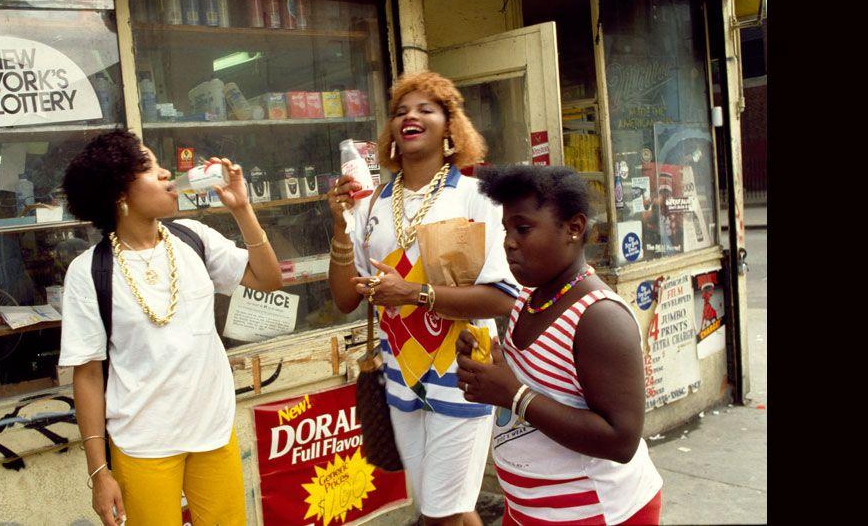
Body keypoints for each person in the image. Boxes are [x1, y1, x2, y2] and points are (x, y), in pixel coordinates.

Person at [58, 130, 282, 526]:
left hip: (212, 432)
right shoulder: (89, 271)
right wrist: (98, 471)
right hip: (142, 443)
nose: (166, 174)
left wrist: (242, 209)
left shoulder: (193, 237)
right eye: (148, 167)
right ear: (118, 193)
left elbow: (268, 279)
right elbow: (88, 375)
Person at [327, 71, 519, 526]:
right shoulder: (371, 204)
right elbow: (343, 299)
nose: (409, 116)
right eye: (400, 111)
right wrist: (338, 224)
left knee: (441, 511)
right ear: (391, 131)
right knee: (442, 510)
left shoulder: (476, 198)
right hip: (399, 376)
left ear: (450, 126)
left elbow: (502, 299)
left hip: (465, 370)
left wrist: (412, 293)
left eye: (425, 109)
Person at [456, 165, 663, 525]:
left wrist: (513, 395)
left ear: (574, 228)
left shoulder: (600, 318)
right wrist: (493, 364)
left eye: (523, 228)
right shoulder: (528, 300)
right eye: (506, 229)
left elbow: (621, 440)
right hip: (531, 509)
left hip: (597, 512)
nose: (508, 242)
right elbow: (542, 378)